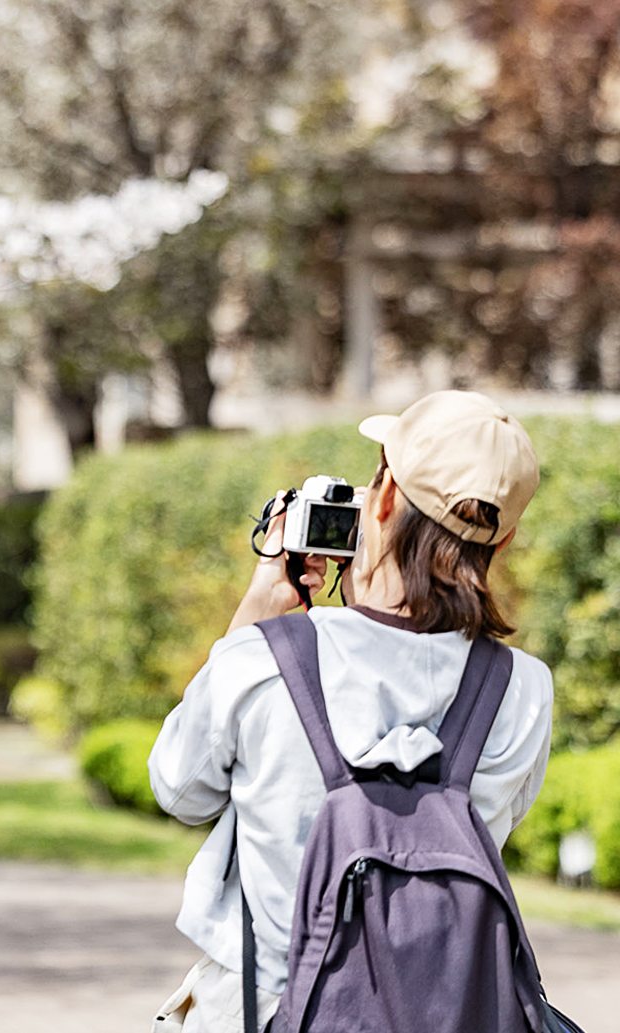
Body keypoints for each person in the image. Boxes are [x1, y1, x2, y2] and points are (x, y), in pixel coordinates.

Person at [146, 390, 553, 1032]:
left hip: (262, 1009)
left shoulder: (264, 662)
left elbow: (179, 789)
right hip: (440, 1013)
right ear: (501, 544)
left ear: (383, 498)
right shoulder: (523, 689)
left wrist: (262, 604)